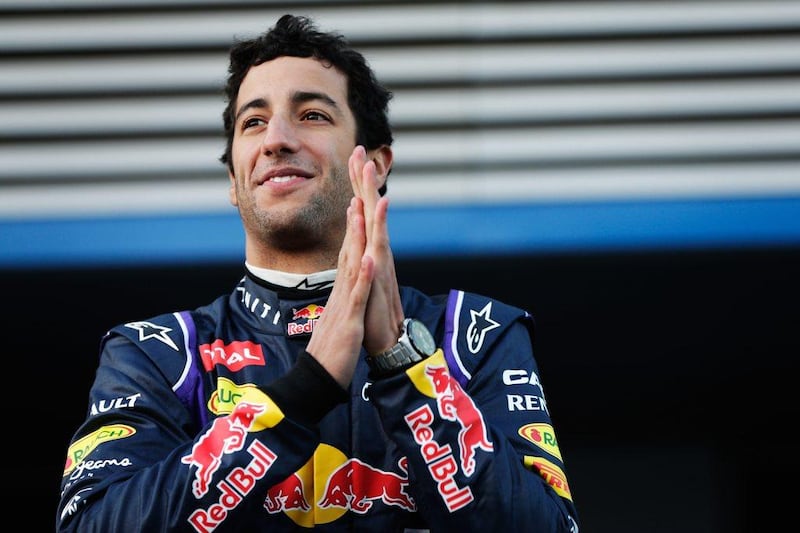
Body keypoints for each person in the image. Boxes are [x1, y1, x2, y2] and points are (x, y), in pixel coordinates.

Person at [56, 14, 579, 532]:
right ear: (234, 180)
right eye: (253, 122)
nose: (276, 139)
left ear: (375, 164)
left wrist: (405, 366)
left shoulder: (476, 333)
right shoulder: (157, 352)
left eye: (311, 115)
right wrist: (302, 393)